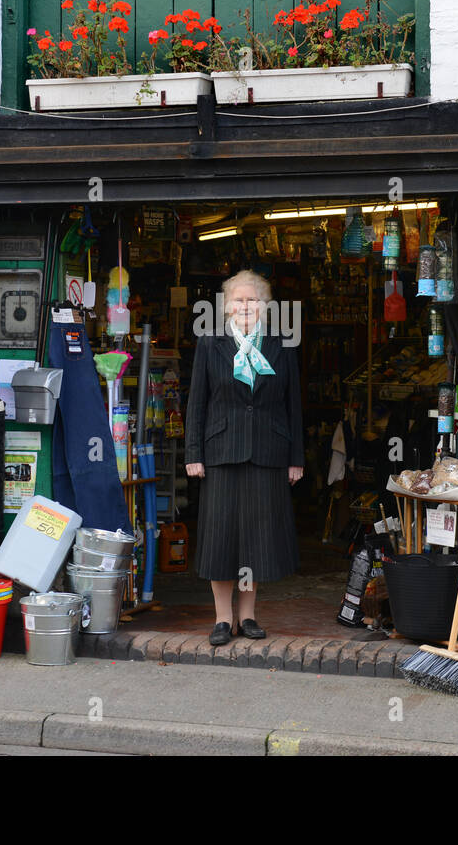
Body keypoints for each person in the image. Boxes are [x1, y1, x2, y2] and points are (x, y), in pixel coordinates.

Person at [184, 270, 303, 645]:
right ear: (226, 306)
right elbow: (196, 403)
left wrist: (295, 457)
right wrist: (193, 453)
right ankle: (222, 619)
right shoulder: (210, 343)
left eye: (252, 300)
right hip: (221, 451)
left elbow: (292, 405)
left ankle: (248, 617)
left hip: (269, 451)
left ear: (264, 305)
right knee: (221, 538)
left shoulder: (281, 343)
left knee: (256, 540)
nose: (246, 306)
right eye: (239, 300)